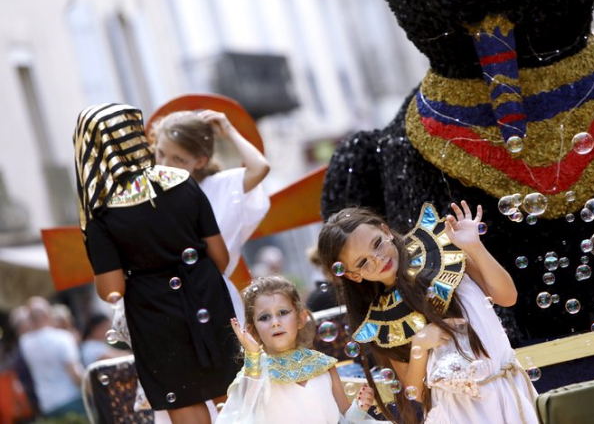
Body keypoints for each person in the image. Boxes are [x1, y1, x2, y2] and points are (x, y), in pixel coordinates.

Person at [74, 103, 240, 424]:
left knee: (184, 399)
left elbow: (112, 290)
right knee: (234, 395)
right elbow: (220, 258)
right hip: (207, 296)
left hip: (154, 315)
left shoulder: (102, 212)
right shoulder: (183, 181)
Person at [317, 201, 538, 424]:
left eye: (377, 244)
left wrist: (475, 247)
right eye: (363, 262)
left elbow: (507, 296)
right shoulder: (383, 319)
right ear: (353, 275)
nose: (378, 259)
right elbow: (415, 391)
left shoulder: (443, 251)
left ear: (385, 230)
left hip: (510, 393)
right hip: (459, 414)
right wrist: (420, 345)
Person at [152, 109, 271, 323]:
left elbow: (260, 167)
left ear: (200, 161)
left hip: (214, 301)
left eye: (178, 158)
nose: (164, 164)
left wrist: (230, 131)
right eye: (160, 153)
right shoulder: (150, 194)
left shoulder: (217, 186)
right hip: (168, 305)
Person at [217, 275, 380, 424]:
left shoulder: (323, 365)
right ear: (253, 331)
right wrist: (252, 355)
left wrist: (359, 407)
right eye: (264, 317)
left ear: (301, 318)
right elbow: (243, 412)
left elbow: (346, 418)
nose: (275, 322)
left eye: (282, 312)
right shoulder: (256, 374)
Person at [18, 297, 86, 419]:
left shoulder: (25, 342)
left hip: (47, 404)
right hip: (71, 398)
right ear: (47, 314)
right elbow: (74, 373)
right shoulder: (63, 337)